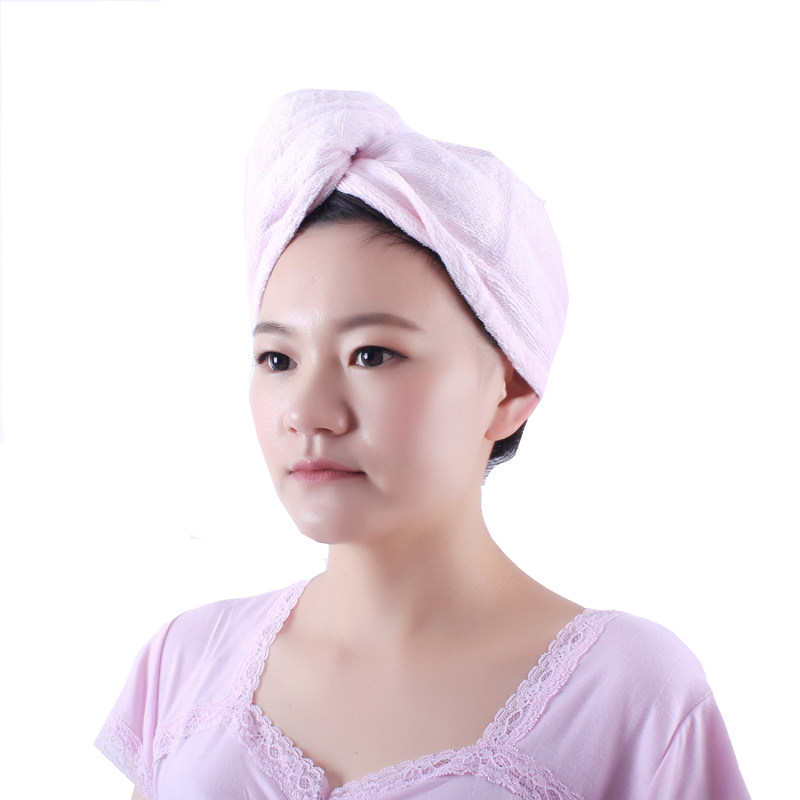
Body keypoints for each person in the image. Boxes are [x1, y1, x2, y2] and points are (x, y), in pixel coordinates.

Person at [96, 90, 751, 800]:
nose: (308, 414)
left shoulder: (632, 695)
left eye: (372, 355)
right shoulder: (185, 666)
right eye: (278, 359)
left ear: (509, 387)